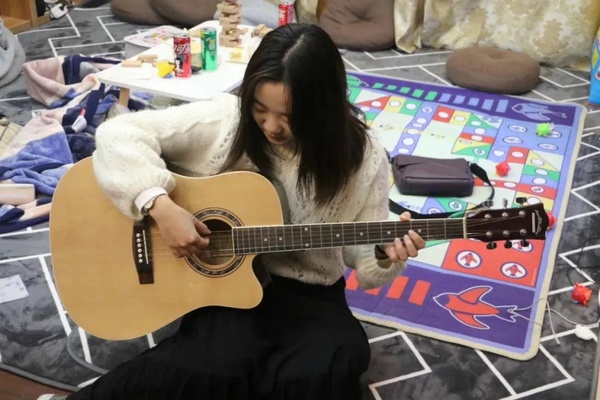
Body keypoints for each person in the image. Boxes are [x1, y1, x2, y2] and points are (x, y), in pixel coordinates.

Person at [39, 23, 425, 400]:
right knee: (217, 362)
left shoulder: (363, 155)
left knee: (337, 361)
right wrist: (159, 205)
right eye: (260, 108)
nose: (271, 126)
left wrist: (381, 254)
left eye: (289, 116)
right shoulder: (225, 122)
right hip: (222, 282)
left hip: (309, 290)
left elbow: (364, 258)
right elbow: (117, 134)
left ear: (323, 106)